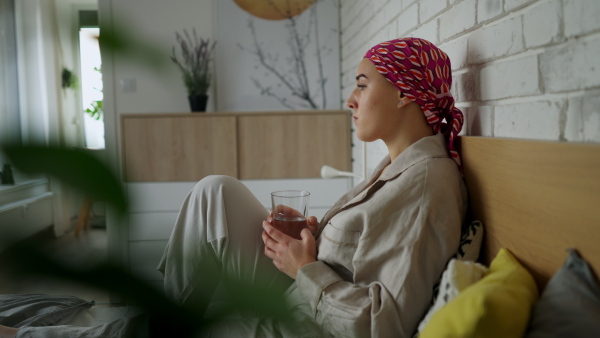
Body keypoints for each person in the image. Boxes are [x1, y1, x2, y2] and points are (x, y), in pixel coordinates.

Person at [0, 37, 467, 338]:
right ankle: (168, 320)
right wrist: (315, 237)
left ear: (406, 94)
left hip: (309, 321)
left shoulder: (426, 183)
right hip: (302, 285)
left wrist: (306, 269)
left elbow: (385, 324)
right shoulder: (399, 166)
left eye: (363, 86)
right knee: (215, 192)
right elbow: (365, 249)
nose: (350, 99)